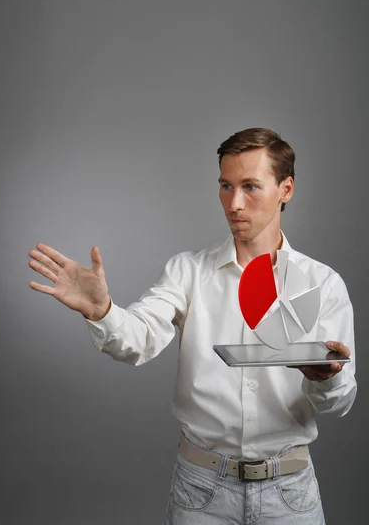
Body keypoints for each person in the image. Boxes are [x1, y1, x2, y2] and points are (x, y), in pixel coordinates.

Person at [28, 128, 356, 524]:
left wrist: (326, 378)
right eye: (225, 186)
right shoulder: (188, 272)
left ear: (286, 189)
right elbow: (138, 340)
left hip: (289, 495)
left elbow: (339, 402)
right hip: (202, 493)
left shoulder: (323, 284)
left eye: (250, 187)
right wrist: (102, 310)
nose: (234, 203)